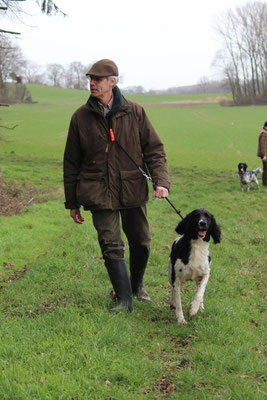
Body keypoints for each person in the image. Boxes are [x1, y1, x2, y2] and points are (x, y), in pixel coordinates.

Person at [63, 59, 170, 312]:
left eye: (98, 79)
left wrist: (161, 182)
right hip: (97, 190)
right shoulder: (80, 117)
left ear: (113, 81)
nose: (92, 83)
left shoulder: (135, 112)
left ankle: (136, 285)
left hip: (132, 187)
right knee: (110, 242)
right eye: (90, 79)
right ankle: (124, 300)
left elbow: (154, 150)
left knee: (141, 241)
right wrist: (72, 202)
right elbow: (71, 162)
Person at [257, 121, 267, 187]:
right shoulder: (264, 133)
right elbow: (263, 146)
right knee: (266, 169)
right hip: (265, 155)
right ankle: (265, 184)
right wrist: (264, 155)